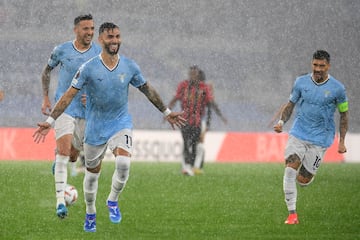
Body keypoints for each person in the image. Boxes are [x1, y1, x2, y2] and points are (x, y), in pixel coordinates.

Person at [33, 22, 186, 232]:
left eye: (117, 37)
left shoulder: (130, 66)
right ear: (101, 40)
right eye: (110, 37)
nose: (114, 41)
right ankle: (90, 212)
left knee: (123, 163)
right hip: (95, 126)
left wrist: (167, 112)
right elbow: (69, 95)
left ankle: (112, 200)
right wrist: (50, 122)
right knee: (92, 174)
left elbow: (146, 89)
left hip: (120, 122)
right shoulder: (88, 68)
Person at [273, 50, 348, 224]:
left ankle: (307, 176)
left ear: (328, 66)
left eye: (322, 66)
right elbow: (290, 104)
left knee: (303, 180)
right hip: (299, 133)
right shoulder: (301, 82)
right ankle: (292, 214)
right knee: (290, 169)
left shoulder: (338, 89)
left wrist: (342, 141)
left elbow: (344, 114)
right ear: (311, 64)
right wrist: (281, 122)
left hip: (321, 139)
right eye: (315, 65)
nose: (318, 69)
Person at [40, 14, 101, 219]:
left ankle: (60, 164)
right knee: (64, 152)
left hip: (86, 112)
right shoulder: (61, 50)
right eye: (86, 29)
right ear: (76, 30)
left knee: (74, 156)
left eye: (92, 29)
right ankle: (59, 203)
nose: (90, 33)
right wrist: (46, 99)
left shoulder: (99, 53)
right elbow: (46, 71)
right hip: (64, 107)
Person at [168, 65, 225, 176]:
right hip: (184, 120)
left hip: (197, 122)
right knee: (185, 143)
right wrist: (167, 111)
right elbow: (175, 98)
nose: (192, 75)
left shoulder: (203, 87)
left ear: (198, 75)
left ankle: (193, 166)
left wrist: (219, 116)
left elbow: (210, 103)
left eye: (194, 73)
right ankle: (187, 167)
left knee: (194, 145)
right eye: (191, 73)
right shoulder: (183, 85)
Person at [193, 70, 227, 174]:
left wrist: (209, 122)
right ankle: (195, 166)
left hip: (200, 121)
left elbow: (211, 107)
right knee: (197, 145)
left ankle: (196, 167)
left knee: (199, 144)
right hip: (195, 121)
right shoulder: (196, 90)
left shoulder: (202, 91)